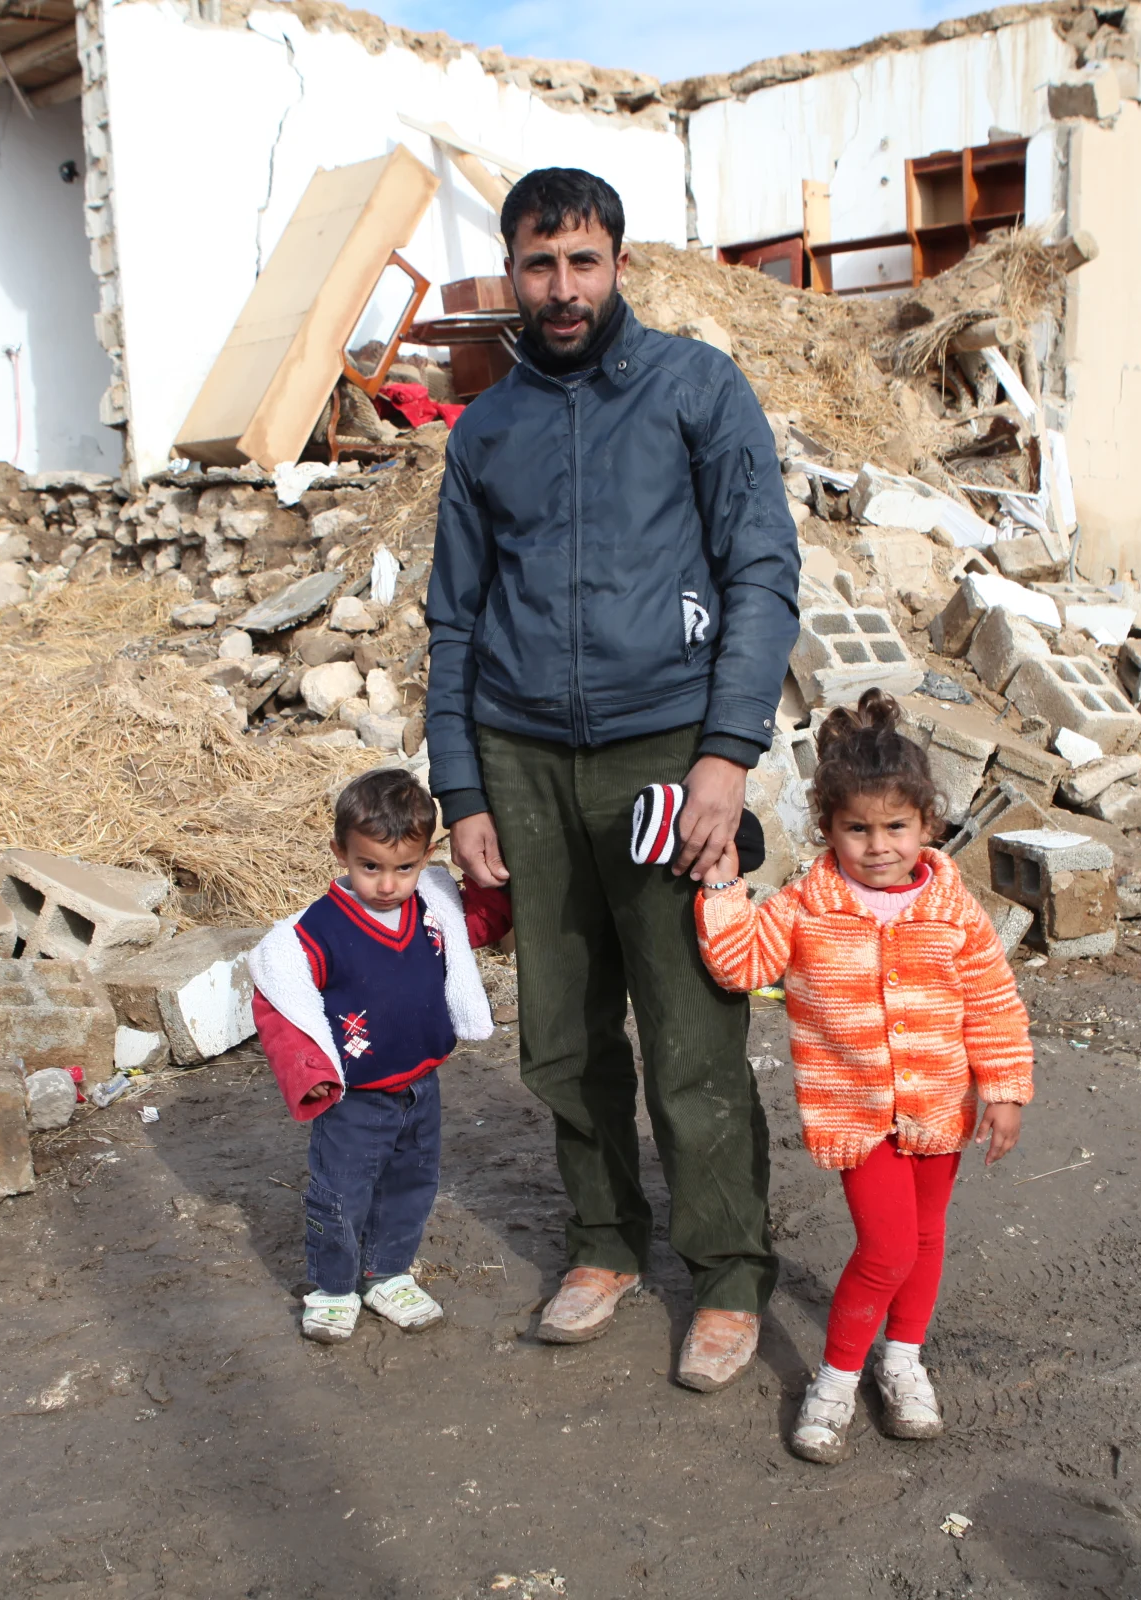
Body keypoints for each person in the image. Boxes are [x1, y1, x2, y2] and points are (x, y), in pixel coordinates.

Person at [425, 167, 801, 1391]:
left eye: (583, 261)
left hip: (663, 754)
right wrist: (463, 787)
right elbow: (452, 622)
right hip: (525, 762)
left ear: (618, 263)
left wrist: (724, 758)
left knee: (691, 1027)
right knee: (565, 1033)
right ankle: (601, 1242)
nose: (563, 287)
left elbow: (761, 572)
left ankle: (729, 1273)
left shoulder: (696, 389)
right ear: (511, 275)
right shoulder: (485, 430)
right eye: (540, 266)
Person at [694, 690, 1034, 1461]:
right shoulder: (805, 906)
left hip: (941, 1106)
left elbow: (992, 1000)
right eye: (857, 828)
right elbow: (741, 962)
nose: (877, 846)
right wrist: (721, 888)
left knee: (925, 1236)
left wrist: (1006, 1089)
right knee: (887, 1248)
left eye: (896, 827)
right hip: (857, 1115)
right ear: (829, 829)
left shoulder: (955, 911)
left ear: (927, 826)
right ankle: (839, 1378)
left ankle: (903, 1360)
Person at [248, 768, 512, 1345]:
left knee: (411, 1184)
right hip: (355, 1098)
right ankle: (333, 1287)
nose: (388, 884)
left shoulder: (432, 909)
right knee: (340, 1193)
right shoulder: (316, 934)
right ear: (341, 851)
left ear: (426, 857)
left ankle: (387, 1273)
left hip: (421, 1086)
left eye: (405, 867)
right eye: (371, 866)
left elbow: (480, 925)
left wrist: (500, 880)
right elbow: (282, 1004)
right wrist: (310, 1076)